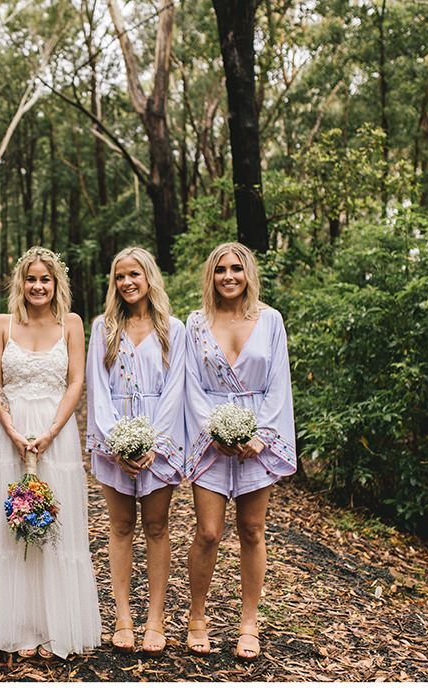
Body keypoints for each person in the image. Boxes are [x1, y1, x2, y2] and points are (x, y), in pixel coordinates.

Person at [0, 246, 101, 659]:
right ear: (21, 283)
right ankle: (17, 625)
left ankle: (54, 625)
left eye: (45, 279)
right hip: (9, 432)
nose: (38, 286)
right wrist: (10, 427)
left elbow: (76, 383)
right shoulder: (1, 324)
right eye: (31, 279)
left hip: (56, 433)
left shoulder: (72, 324)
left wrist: (50, 432)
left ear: (56, 283)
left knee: (54, 526)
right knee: (11, 525)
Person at [183, 242, 296, 660]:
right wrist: (215, 430)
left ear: (248, 273)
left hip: (257, 437)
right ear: (210, 277)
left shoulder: (271, 321)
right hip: (210, 436)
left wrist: (259, 434)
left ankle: (249, 622)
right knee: (209, 531)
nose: (228, 276)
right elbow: (190, 385)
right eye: (220, 270)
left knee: (252, 530)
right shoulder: (195, 323)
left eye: (236, 269)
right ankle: (198, 616)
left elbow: (279, 382)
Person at [86, 247, 186, 654]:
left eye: (134, 275)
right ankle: (123, 615)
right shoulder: (103, 328)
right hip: (116, 442)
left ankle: (156, 619)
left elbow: (176, 389)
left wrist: (152, 444)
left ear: (149, 279)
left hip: (159, 442)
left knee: (157, 527)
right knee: (121, 526)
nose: (127, 283)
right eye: (120, 276)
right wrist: (118, 444)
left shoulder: (172, 329)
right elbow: (97, 388)